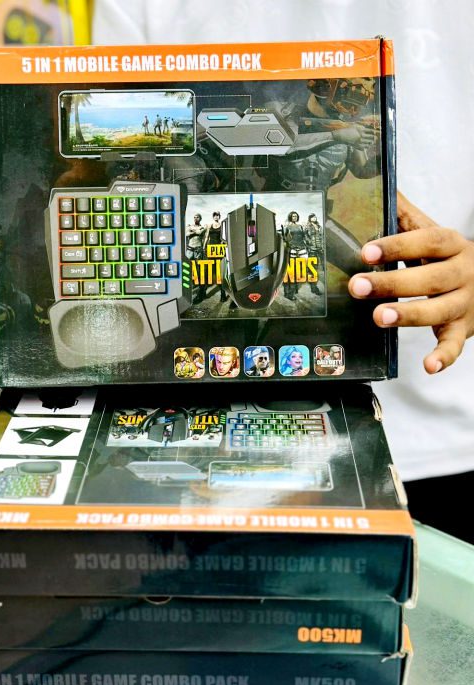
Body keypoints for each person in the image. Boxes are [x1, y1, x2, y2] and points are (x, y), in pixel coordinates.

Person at [91, 1, 474, 543]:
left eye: (352, 96)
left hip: (442, 434)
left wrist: (370, 146)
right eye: (340, 94)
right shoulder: (286, 112)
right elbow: (261, 143)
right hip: (214, 396)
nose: (346, 101)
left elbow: (367, 166)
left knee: (354, 268)